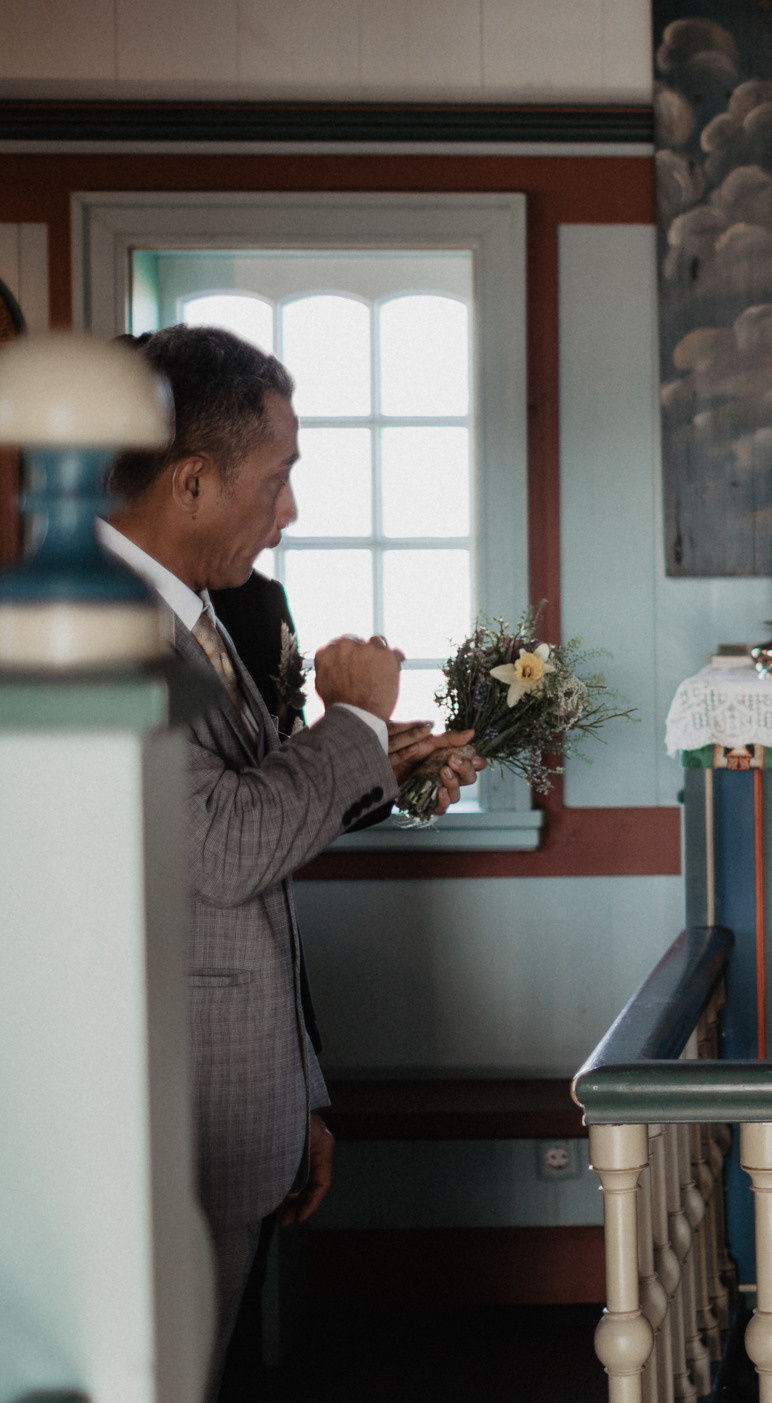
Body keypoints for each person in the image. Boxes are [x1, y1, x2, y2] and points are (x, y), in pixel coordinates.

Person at [102, 325, 479, 1391]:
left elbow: (236, 837)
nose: (290, 509)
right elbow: (224, 848)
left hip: (232, 1094)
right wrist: (354, 714)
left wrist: (374, 760)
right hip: (159, 1123)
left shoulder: (192, 618)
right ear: (190, 481)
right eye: (278, 478)